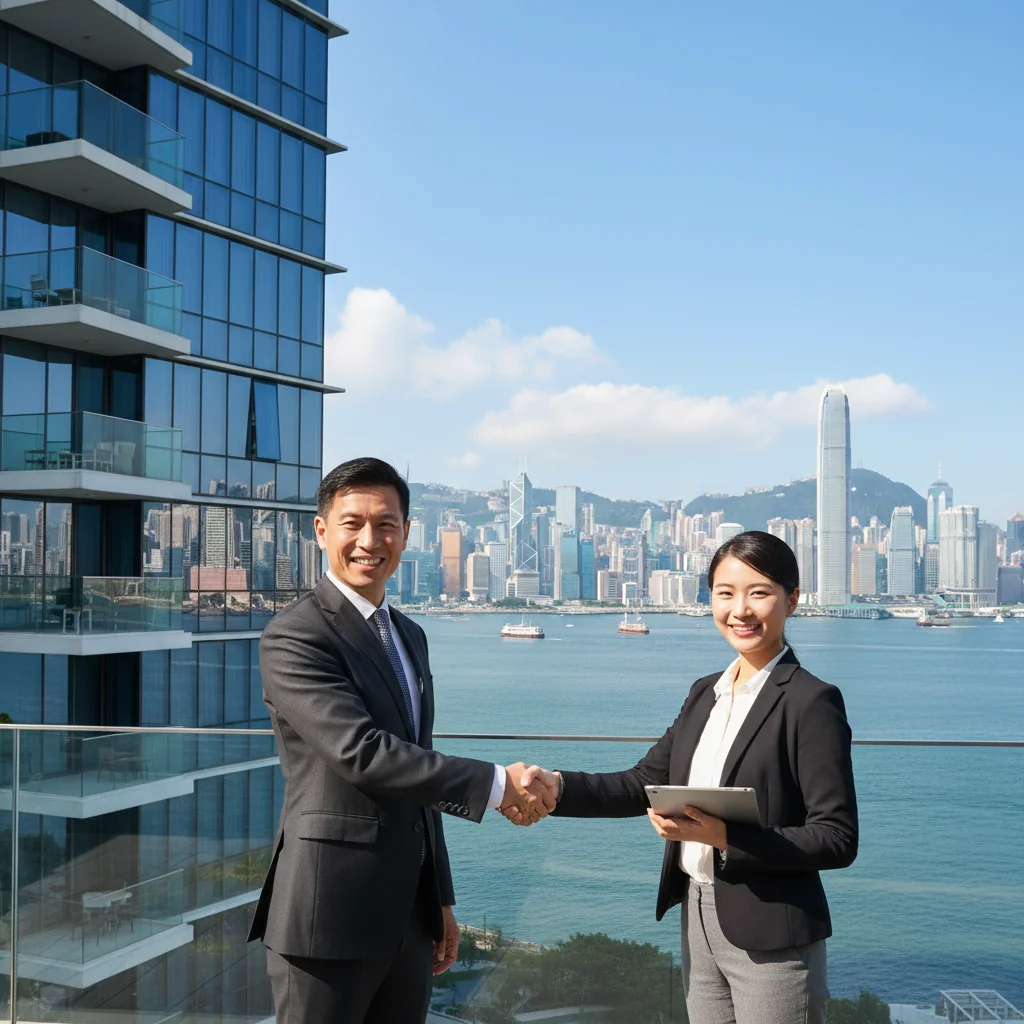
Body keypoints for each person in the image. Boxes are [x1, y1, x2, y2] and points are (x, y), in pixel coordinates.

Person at [248, 457, 553, 1024]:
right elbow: (361, 753)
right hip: (326, 918)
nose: (370, 540)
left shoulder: (409, 634)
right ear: (321, 531)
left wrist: (439, 899)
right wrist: (494, 783)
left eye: (386, 524)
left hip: (409, 921)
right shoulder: (295, 635)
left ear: (408, 534)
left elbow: (418, 771)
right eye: (352, 523)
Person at [512, 531, 858, 1024]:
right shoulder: (705, 694)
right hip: (698, 913)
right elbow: (641, 784)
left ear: (792, 600)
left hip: (774, 933)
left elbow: (837, 838)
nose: (740, 609)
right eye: (725, 593)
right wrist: (558, 786)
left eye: (758, 592)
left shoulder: (811, 701)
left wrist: (724, 837)